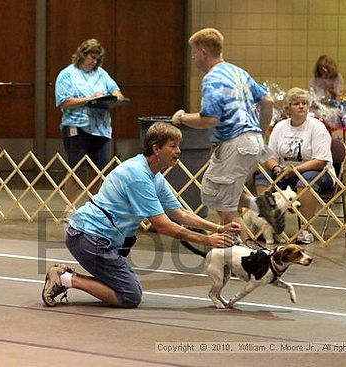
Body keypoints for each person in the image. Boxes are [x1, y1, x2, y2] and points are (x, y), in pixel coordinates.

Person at [42, 122, 241, 308]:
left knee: (126, 288)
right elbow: (163, 225)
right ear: (156, 149)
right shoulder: (138, 176)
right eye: (173, 146)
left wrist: (218, 228)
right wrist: (208, 240)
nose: (179, 151)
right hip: (89, 237)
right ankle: (65, 278)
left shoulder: (155, 177)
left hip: (99, 239)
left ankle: (68, 277)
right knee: (130, 296)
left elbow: (180, 213)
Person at [170, 28, 283, 242]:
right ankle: (260, 205)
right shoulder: (239, 72)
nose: (193, 58)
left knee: (224, 205)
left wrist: (182, 118)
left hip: (235, 143)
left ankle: (235, 252)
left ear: (203, 52)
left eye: (194, 53)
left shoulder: (212, 79)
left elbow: (210, 119)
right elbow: (267, 102)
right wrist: (258, 131)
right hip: (254, 143)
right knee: (212, 191)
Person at [255, 87, 335, 244]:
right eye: (296, 103)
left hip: (317, 171)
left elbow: (321, 160)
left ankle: (306, 230)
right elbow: (269, 156)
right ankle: (266, 226)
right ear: (288, 108)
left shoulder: (317, 127)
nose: (301, 106)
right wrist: (276, 168)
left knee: (305, 180)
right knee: (261, 178)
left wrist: (294, 170)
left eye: (304, 103)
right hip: (285, 171)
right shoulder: (280, 127)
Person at [55, 38, 124, 214]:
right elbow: (64, 102)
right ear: (82, 55)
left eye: (97, 58)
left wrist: (115, 95)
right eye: (91, 57)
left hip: (101, 128)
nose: (94, 61)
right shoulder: (67, 74)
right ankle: (69, 208)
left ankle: (94, 207)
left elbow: (116, 90)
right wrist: (89, 99)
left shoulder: (101, 73)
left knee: (98, 168)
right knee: (75, 168)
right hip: (76, 126)